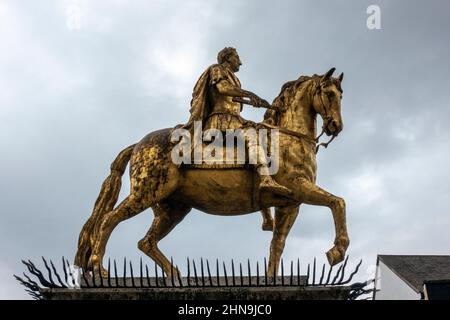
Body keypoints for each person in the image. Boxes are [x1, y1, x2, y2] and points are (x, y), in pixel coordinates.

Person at [184, 47, 292, 199]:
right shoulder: (217, 69)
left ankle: (264, 203)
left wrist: (259, 102)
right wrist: (250, 94)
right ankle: (266, 178)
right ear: (227, 58)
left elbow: (235, 98)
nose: (240, 62)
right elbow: (223, 89)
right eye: (237, 57)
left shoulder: (235, 79)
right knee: (252, 135)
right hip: (220, 121)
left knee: (265, 135)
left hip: (234, 120)